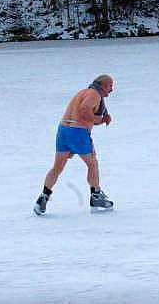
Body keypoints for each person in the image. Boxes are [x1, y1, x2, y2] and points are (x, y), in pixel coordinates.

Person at [34, 74, 115, 215]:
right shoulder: (94, 94)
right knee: (92, 163)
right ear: (102, 86)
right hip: (78, 132)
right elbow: (84, 110)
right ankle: (95, 195)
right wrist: (100, 119)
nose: (111, 90)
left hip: (63, 130)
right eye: (110, 86)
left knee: (57, 167)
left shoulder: (83, 92)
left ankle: (43, 197)